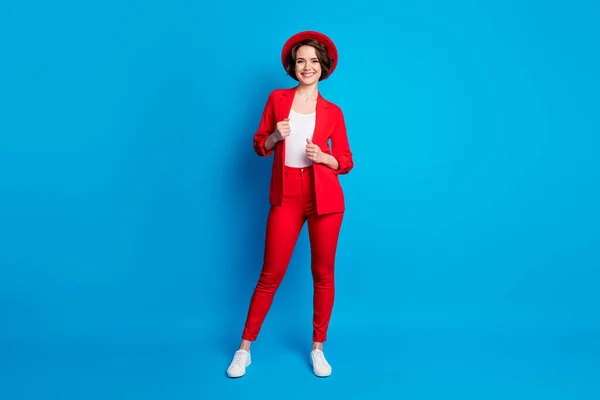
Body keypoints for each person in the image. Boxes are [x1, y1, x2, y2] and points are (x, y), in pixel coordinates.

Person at [226, 31, 354, 378]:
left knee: (323, 274)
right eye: (301, 61)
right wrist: (275, 136)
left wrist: (324, 157)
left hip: (325, 199)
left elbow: (345, 159)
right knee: (270, 274)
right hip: (286, 195)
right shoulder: (277, 100)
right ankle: (244, 349)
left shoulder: (333, 111)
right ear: (293, 67)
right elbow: (259, 145)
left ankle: (318, 348)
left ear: (323, 67)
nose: (307, 67)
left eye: (314, 61)